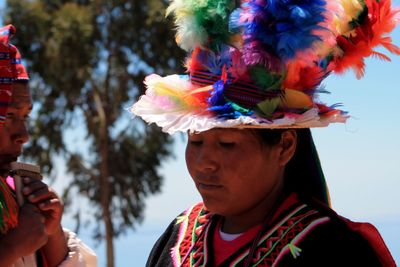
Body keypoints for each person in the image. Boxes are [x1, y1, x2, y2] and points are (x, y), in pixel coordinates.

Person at [131, 0, 399, 266]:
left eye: (226, 144)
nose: (204, 163)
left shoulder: (335, 249)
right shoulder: (178, 237)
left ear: (284, 146)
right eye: (196, 141)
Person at [0, 24, 97, 267]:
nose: (23, 135)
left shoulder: (17, 192)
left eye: (25, 117)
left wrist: (51, 232)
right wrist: (10, 249)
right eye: (9, 115)